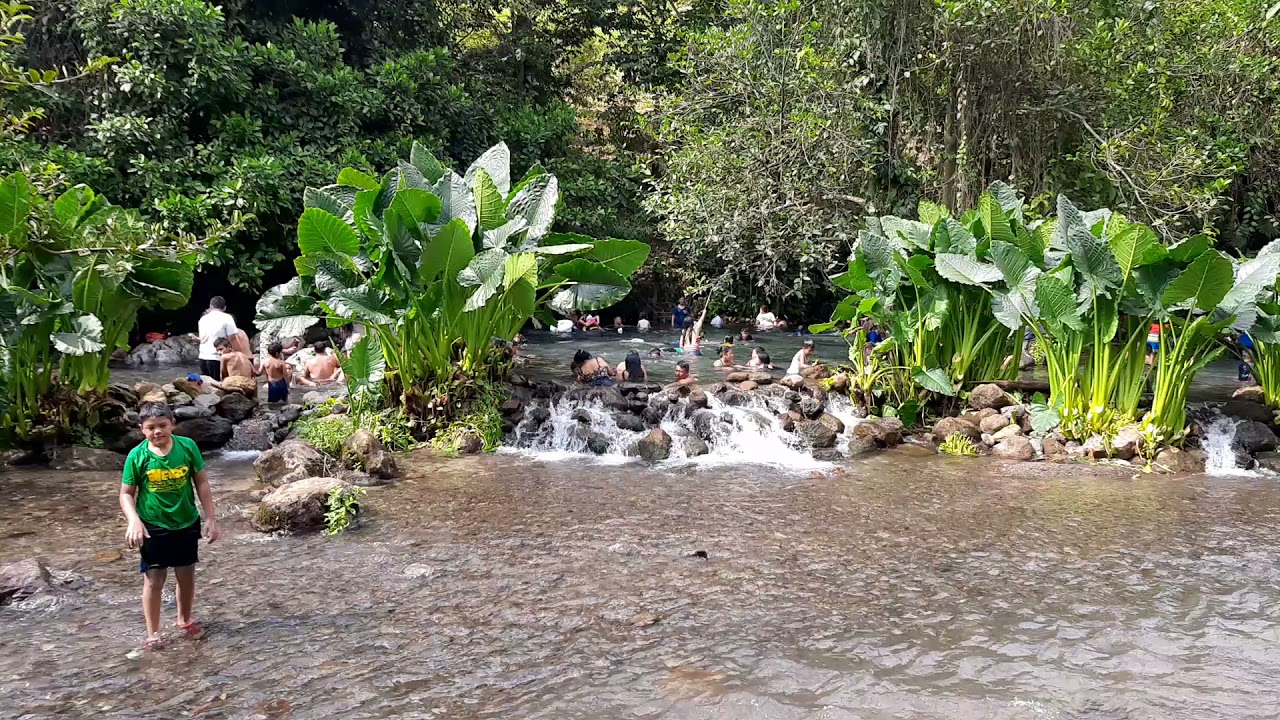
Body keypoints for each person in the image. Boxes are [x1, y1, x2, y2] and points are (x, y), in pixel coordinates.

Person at [120, 402, 219, 651]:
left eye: (162, 425)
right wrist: (133, 520)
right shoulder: (137, 456)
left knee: (186, 575)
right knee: (154, 580)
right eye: (151, 427)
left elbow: (202, 482)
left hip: (186, 521)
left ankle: (184, 620)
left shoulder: (187, 447)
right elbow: (126, 493)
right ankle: (153, 634)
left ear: (172, 424)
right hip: (152, 525)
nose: (157, 432)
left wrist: (210, 518)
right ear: (142, 429)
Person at [196, 296, 237, 378]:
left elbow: (201, 338)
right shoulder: (227, 318)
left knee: (207, 384)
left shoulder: (203, 319)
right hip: (217, 357)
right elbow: (232, 337)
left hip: (203, 356)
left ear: (210, 306)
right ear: (224, 308)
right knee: (220, 383)